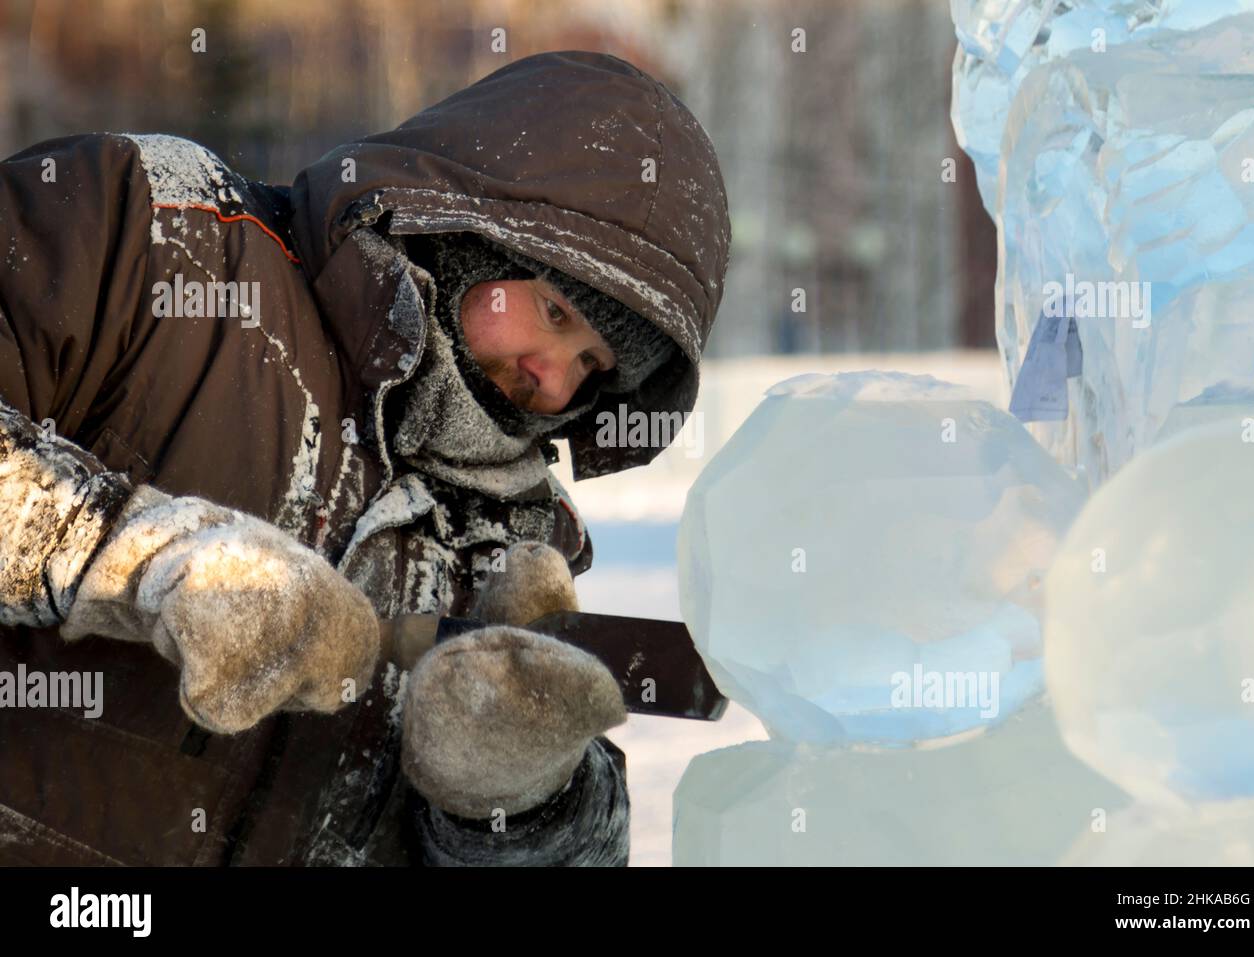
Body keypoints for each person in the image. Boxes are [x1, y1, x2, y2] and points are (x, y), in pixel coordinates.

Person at [0, 50, 730, 866]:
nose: (553, 381)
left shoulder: (519, 545)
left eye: (594, 366)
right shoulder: (154, 231)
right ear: (468, 229)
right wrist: (131, 555)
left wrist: (518, 800)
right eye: (556, 313)